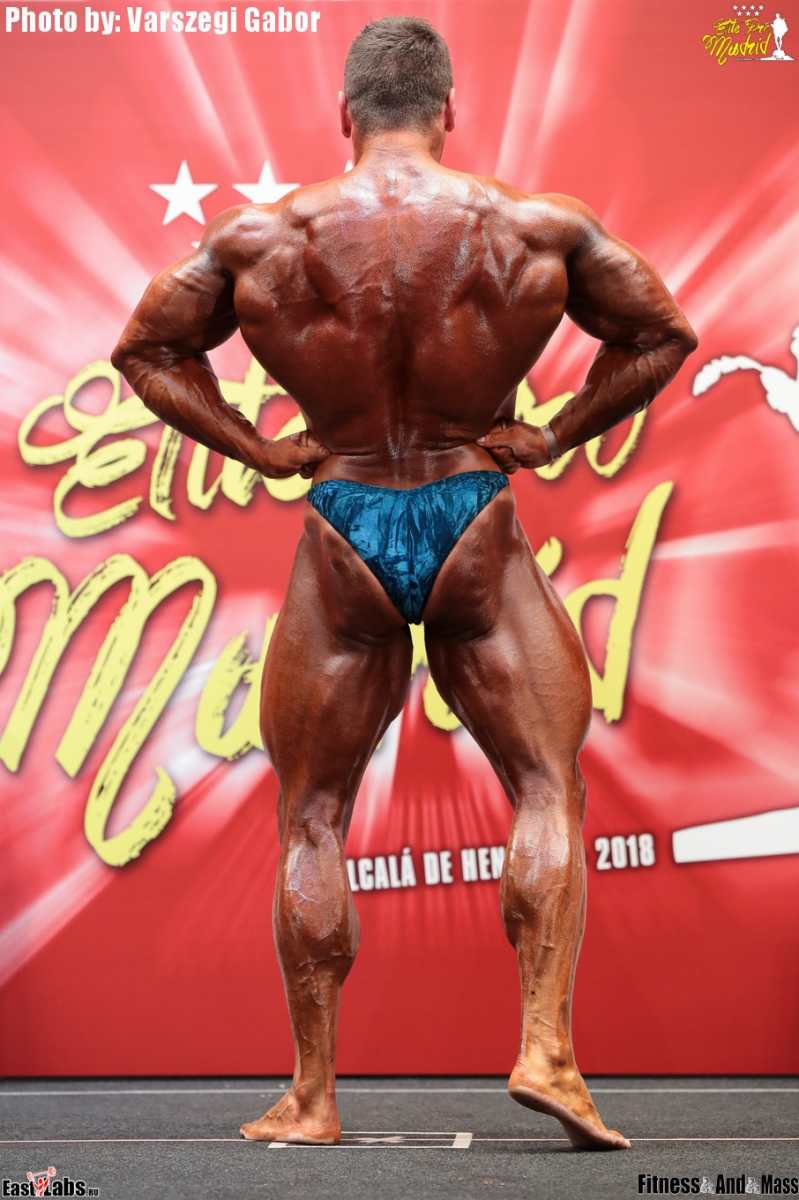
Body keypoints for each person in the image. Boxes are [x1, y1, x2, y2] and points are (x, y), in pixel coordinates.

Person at [111, 15, 698, 1151]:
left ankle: (313, 1097)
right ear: (447, 112)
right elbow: (661, 335)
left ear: (345, 114)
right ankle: (546, 1050)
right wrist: (556, 432)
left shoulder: (261, 237)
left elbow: (144, 352)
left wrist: (258, 449)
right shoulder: (530, 226)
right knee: (544, 787)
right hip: (472, 508)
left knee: (312, 816)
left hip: (343, 517)